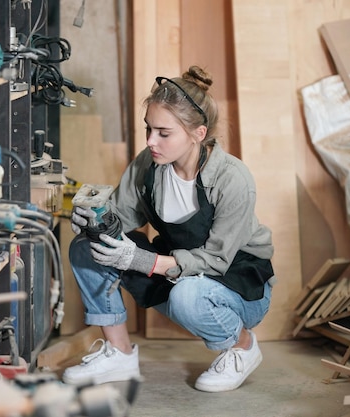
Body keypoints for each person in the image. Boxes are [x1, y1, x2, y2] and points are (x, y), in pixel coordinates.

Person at [62, 65, 275, 392]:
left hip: (237, 283)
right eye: (149, 129)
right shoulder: (149, 165)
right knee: (87, 247)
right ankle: (119, 352)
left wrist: (140, 261)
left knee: (188, 296)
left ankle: (242, 346)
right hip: (178, 269)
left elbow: (216, 261)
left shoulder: (232, 179)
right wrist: (96, 221)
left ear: (198, 134)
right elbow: (122, 213)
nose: (151, 141)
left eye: (164, 133)